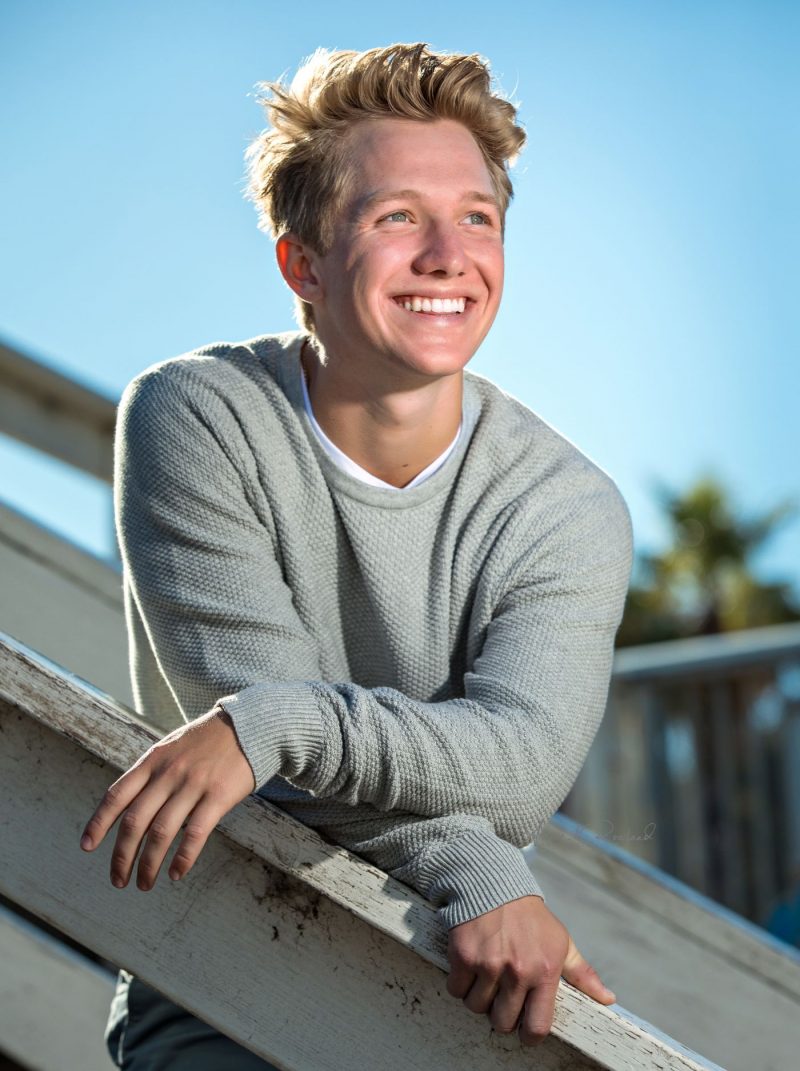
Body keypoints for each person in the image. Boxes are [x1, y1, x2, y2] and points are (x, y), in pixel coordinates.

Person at [83, 41, 633, 1068]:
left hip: (447, 986)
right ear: (303, 263)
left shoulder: (563, 507)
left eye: (476, 216)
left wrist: (279, 723)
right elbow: (263, 762)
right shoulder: (199, 416)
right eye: (395, 219)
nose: (445, 255)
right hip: (219, 974)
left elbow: (516, 768)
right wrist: (477, 867)